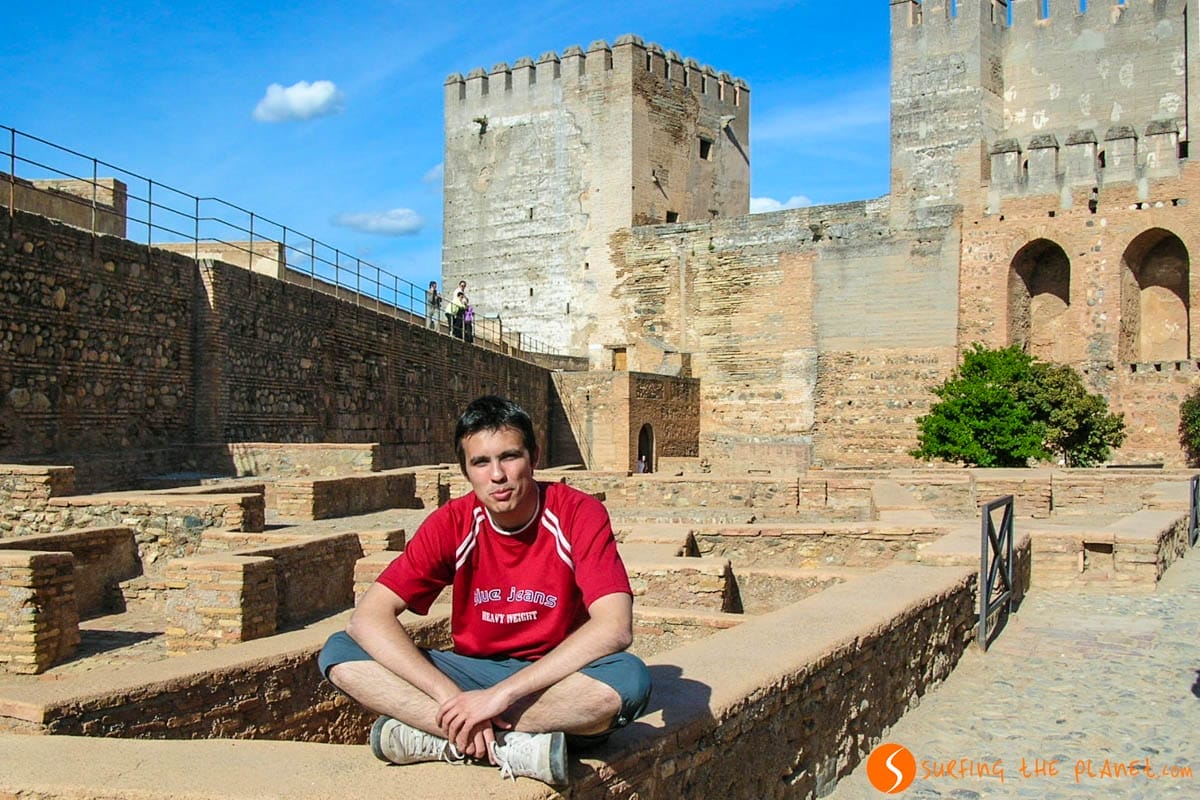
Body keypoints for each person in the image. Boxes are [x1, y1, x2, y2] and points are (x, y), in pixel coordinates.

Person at [318, 396, 651, 786]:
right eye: (481, 462)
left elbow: (614, 627)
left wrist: (500, 697)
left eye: (509, 457)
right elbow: (368, 618)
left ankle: (440, 739)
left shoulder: (577, 513)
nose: (498, 475)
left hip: (554, 677)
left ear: (534, 457)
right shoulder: (452, 523)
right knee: (341, 651)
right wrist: (447, 697)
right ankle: (499, 743)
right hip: (471, 677)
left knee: (629, 681)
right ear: (465, 470)